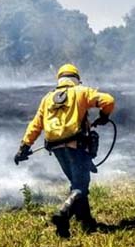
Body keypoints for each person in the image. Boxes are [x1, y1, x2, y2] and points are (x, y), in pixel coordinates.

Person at [14, 64, 115, 238]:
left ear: (59, 80)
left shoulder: (48, 98)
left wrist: (24, 147)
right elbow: (108, 101)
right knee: (81, 185)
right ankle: (63, 213)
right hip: (77, 145)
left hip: (56, 147)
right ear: (76, 79)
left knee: (77, 183)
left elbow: (36, 125)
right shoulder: (81, 91)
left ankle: (85, 221)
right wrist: (104, 117)